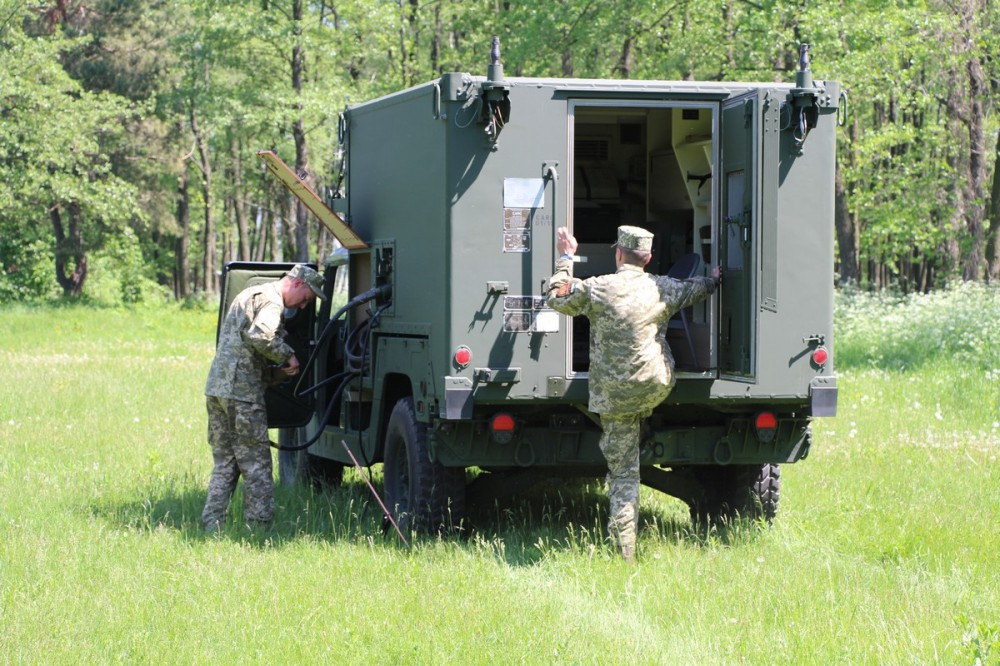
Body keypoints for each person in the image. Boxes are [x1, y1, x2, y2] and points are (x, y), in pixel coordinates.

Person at [546, 226, 720, 560]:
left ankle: (625, 551)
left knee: (624, 472)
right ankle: (646, 418)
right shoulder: (663, 287)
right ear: (649, 257)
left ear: (617, 253)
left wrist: (566, 257)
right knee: (659, 347)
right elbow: (696, 289)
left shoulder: (599, 288)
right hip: (655, 387)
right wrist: (713, 278)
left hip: (614, 397)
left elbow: (556, 297)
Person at [201, 264, 326, 532]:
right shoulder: (272, 302)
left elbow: (243, 348)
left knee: (226, 463)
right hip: (242, 396)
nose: (303, 307)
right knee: (257, 466)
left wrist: (275, 374)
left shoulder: (250, 294)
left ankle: (212, 525)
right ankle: (259, 531)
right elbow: (260, 335)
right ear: (296, 283)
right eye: (305, 299)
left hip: (217, 390)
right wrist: (287, 355)